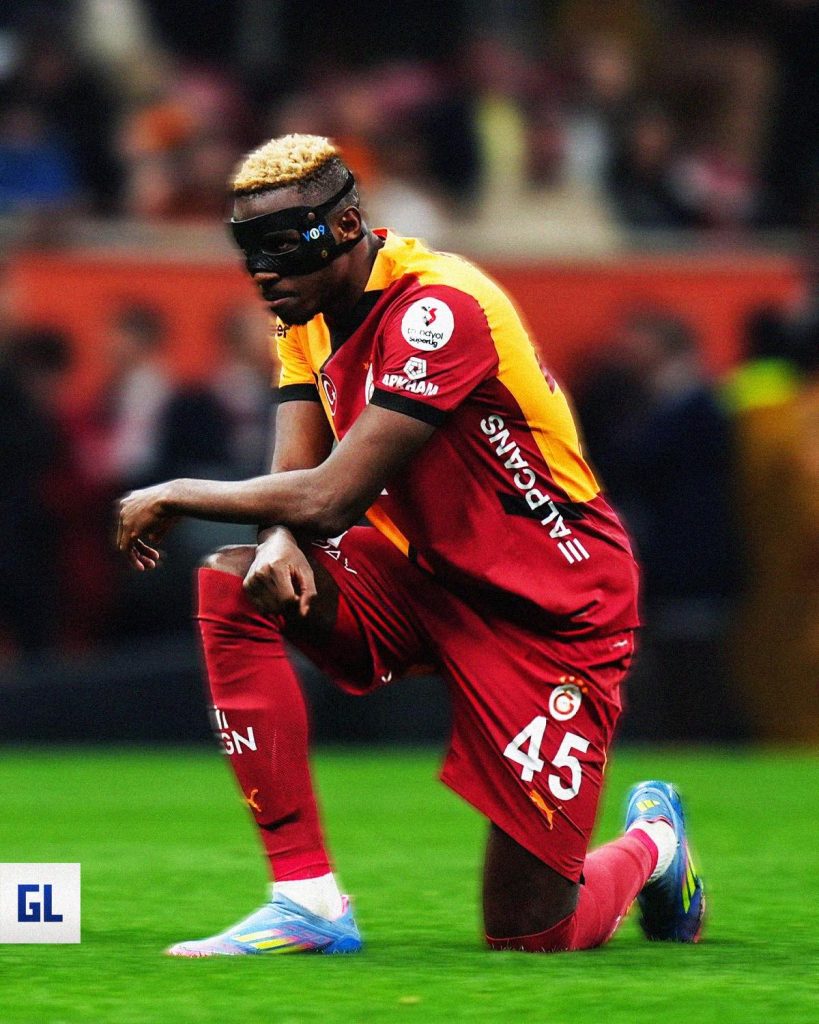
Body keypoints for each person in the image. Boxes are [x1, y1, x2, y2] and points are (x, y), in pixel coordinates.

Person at [116, 133, 704, 956]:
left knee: (531, 932)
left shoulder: (439, 309)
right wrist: (278, 536)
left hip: (554, 605)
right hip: (426, 577)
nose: (263, 272)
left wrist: (177, 491)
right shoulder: (305, 318)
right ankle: (306, 900)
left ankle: (654, 846)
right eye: (250, 250)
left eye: (282, 244)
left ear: (345, 224)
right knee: (234, 579)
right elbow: (295, 477)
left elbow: (332, 495)